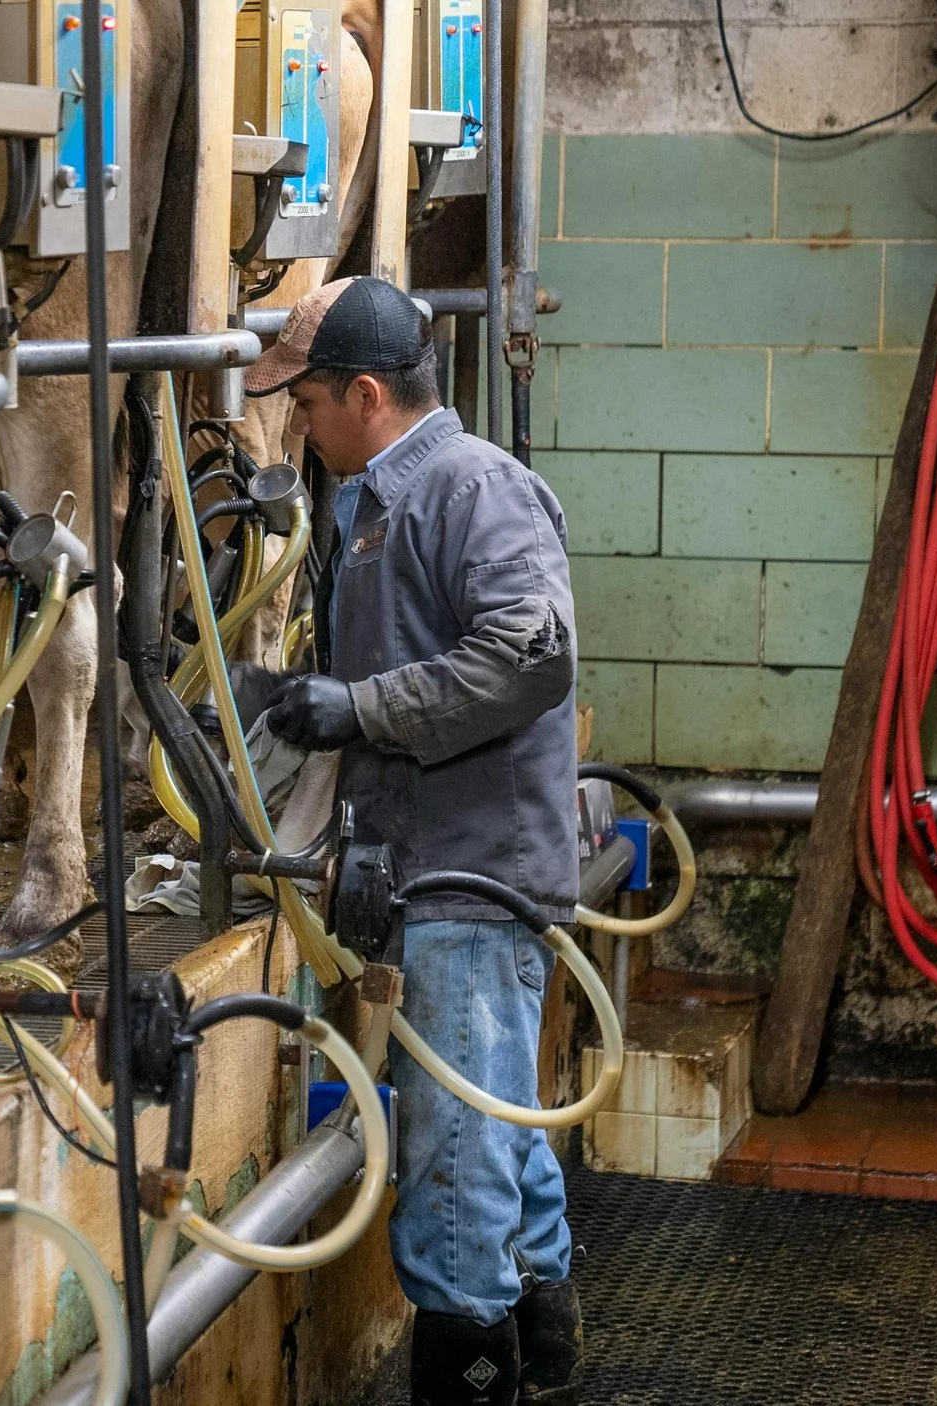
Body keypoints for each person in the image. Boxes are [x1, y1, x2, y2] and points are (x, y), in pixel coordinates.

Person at [246, 276, 584, 1406]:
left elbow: (532, 655)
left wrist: (363, 707)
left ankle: (471, 1370)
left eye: (304, 403)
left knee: (451, 1158)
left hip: (474, 879)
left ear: (366, 393)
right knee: (496, 1132)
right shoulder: (375, 497)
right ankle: (545, 1350)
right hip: (430, 869)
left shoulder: (471, 485)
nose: (297, 424)